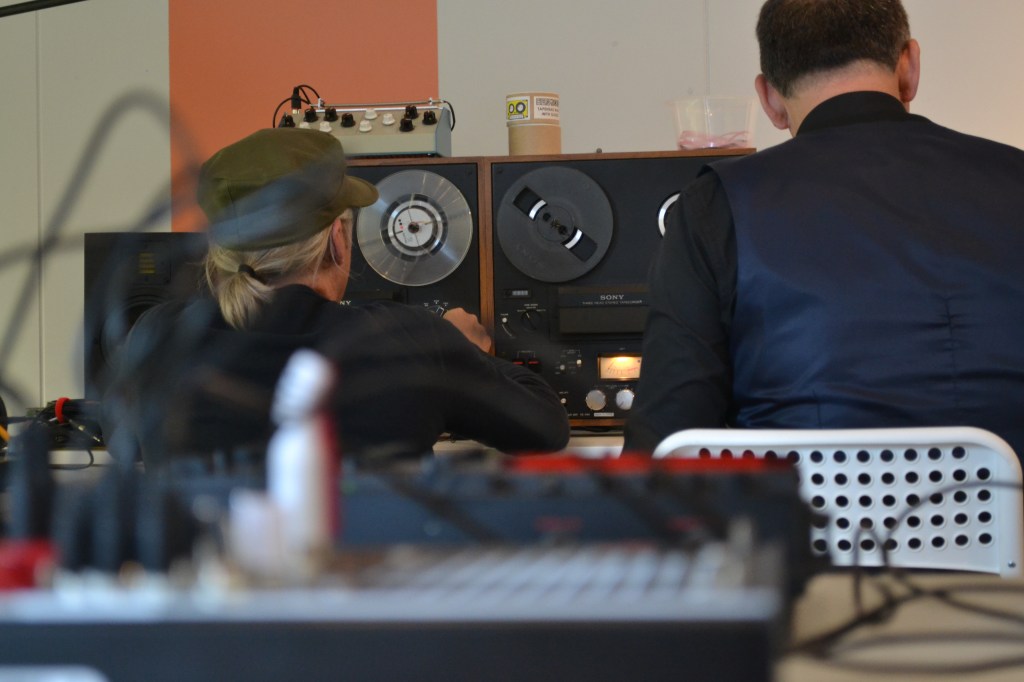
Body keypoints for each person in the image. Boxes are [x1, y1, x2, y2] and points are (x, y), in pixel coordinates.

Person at [624, 0, 1024, 459]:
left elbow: (665, 445)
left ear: (770, 99)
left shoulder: (717, 204)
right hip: (1010, 506)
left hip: (803, 508)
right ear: (910, 66)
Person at [104, 128, 569, 469]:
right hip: (368, 574)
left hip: (215, 576)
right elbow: (546, 429)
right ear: (337, 242)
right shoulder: (412, 341)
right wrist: (465, 354)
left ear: (220, 250)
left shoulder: (157, 337)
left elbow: (119, 436)